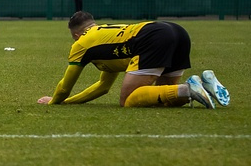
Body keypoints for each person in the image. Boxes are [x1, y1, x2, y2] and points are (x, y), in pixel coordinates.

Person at [37, 11, 230, 108]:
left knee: (127, 100)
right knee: (166, 99)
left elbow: (64, 88)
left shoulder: (81, 44)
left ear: (76, 35)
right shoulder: (105, 34)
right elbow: (103, 87)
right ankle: (204, 86)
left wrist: (55, 101)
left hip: (154, 37)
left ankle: (189, 88)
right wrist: (69, 102)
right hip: (177, 31)